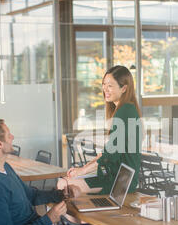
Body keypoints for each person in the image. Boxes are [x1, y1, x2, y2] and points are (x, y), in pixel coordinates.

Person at [58, 65, 142, 195]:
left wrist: (82, 171)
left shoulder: (125, 111)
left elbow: (110, 155)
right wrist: (82, 169)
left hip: (120, 180)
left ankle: (75, 215)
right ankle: (79, 214)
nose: (105, 89)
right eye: (104, 85)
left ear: (124, 88)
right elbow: (107, 153)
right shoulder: (123, 110)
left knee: (64, 184)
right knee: (67, 184)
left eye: (110, 86)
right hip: (111, 174)